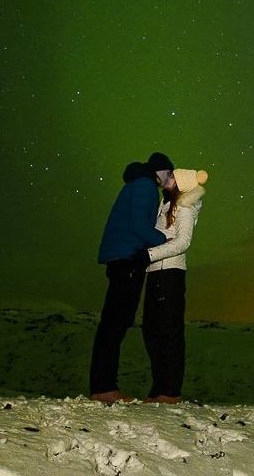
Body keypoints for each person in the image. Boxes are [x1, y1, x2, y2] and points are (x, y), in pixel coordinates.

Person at [89, 151, 175, 403]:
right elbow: (138, 225)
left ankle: (103, 387)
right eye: (168, 172)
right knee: (115, 323)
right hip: (127, 258)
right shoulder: (146, 186)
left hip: (120, 256)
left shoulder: (138, 184)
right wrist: (163, 241)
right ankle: (104, 388)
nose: (169, 177)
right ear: (159, 170)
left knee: (114, 322)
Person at [141, 167, 208, 403]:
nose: (167, 178)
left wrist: (148, 255)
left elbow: (183, 242)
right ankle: (160, 388)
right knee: (152, 331)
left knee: (168, 333)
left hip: (170, 274)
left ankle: (169, 391)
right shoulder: (166, 206)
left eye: (173, 177)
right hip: (156, 273)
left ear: (181, 183)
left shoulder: (185, 208)